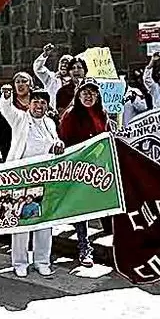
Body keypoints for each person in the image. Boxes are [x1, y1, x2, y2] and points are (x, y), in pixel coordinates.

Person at [0, 85, 63, 276]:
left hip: (45, 178)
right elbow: (6, 108)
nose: (39, 105)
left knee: (45, 220)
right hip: (21, 178)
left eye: (43, 102)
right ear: (29, 104)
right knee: (21, 219)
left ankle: (42, 260)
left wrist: (58, 144)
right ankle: (20, 262)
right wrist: (6, 96)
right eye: (36, 101)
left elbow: (54, 142)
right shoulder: (19, 118)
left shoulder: (50, 123)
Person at [58, 79, 113, 267]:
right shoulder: (71, 115)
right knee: (81, 210)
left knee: (106, 202)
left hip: (100, 167)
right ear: (78, 95)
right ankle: (84, 248)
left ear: (97, 96)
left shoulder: (102, 114)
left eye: (92, 92)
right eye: (84, 92)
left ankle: (111, 234)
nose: (88, 96)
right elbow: (65, 142)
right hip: (79, 169)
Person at [33, 44, 74, 109]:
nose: (64, 65)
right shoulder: (51, 78)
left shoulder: (76, 81)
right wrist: (45, 55)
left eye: (67, 63)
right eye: (62, 62)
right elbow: (38, 69)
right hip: (52, 112)